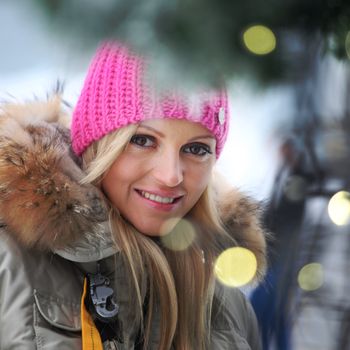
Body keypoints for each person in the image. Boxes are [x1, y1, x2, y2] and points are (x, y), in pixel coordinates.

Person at [0, 41, 267, 349]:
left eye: (196, 149)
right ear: (99, 145)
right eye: (142, 140)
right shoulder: (10, 264)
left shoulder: (225, 301)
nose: (171, 176)